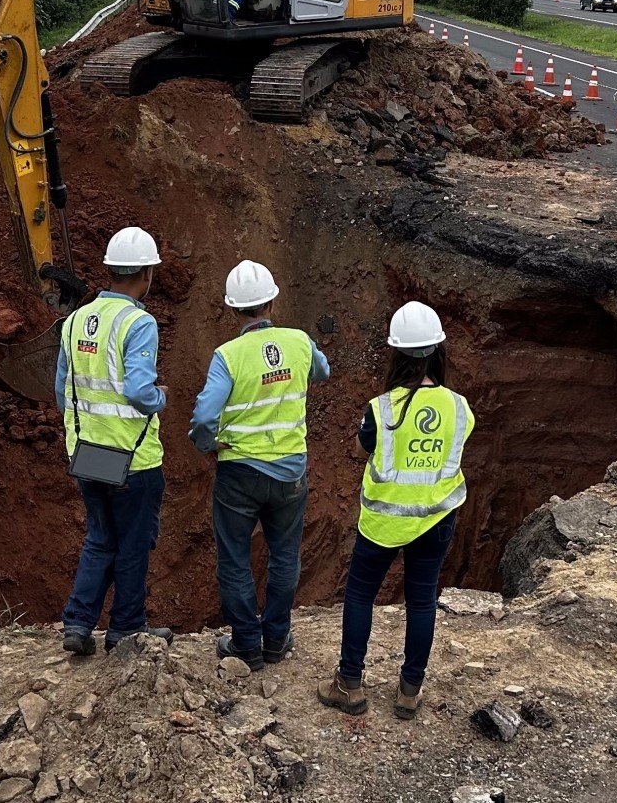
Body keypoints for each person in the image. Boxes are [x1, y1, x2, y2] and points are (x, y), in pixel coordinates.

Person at [318, 301, 474, 720]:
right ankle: (409, 691)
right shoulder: (459, 407)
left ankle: (349, 684)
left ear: (396, 353)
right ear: (438, 351)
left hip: (384, 522)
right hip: (437, 519)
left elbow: (359, 449)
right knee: (421, 601)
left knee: (360, 595)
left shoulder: (382, 408)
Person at [190, 260, 330, 672]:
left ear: (234, 310)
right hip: (290, 472)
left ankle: (246, 645)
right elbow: (322, 371)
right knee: (284, 556)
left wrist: (206, 445)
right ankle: (276, 638)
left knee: (234, 557)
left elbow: (203, 417)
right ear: (272, 300)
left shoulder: (227, 356)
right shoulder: (300, 341)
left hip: (240, 474)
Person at [57, 226, 173, 655]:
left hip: (88, 452)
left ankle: (78, 623)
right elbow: (140, 391)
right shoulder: (138, 322)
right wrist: (161, 397)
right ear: (146, 273)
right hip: (132, 457)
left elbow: (61, 388)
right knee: (133, 544)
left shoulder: (75, 321)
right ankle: (126, 628)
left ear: (109, 270)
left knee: (100, 537)